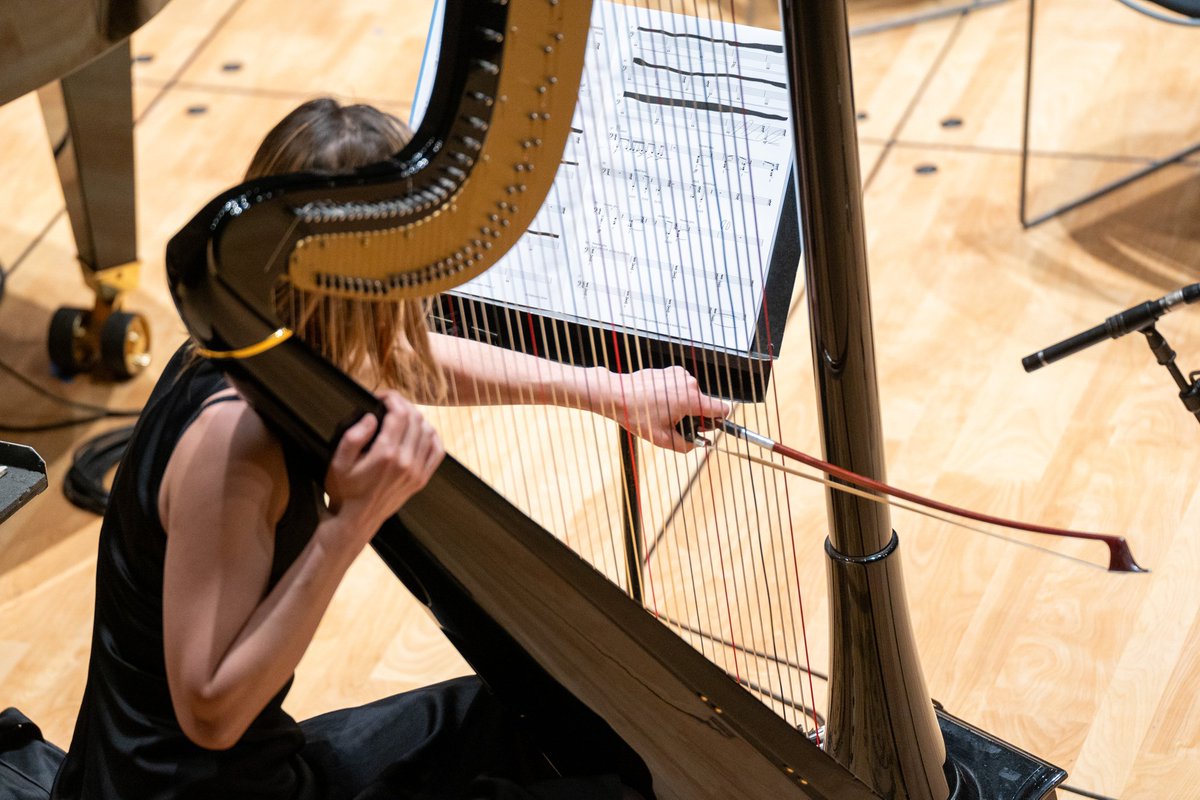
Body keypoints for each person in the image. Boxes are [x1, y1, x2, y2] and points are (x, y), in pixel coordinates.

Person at [50, 97, 729, 800]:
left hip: (241, 769)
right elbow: (211, 712)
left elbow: (398, 354)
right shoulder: (235, 442)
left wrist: (607, 390)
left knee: (538, 720)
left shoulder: (262, 336)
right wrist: (350, 526)